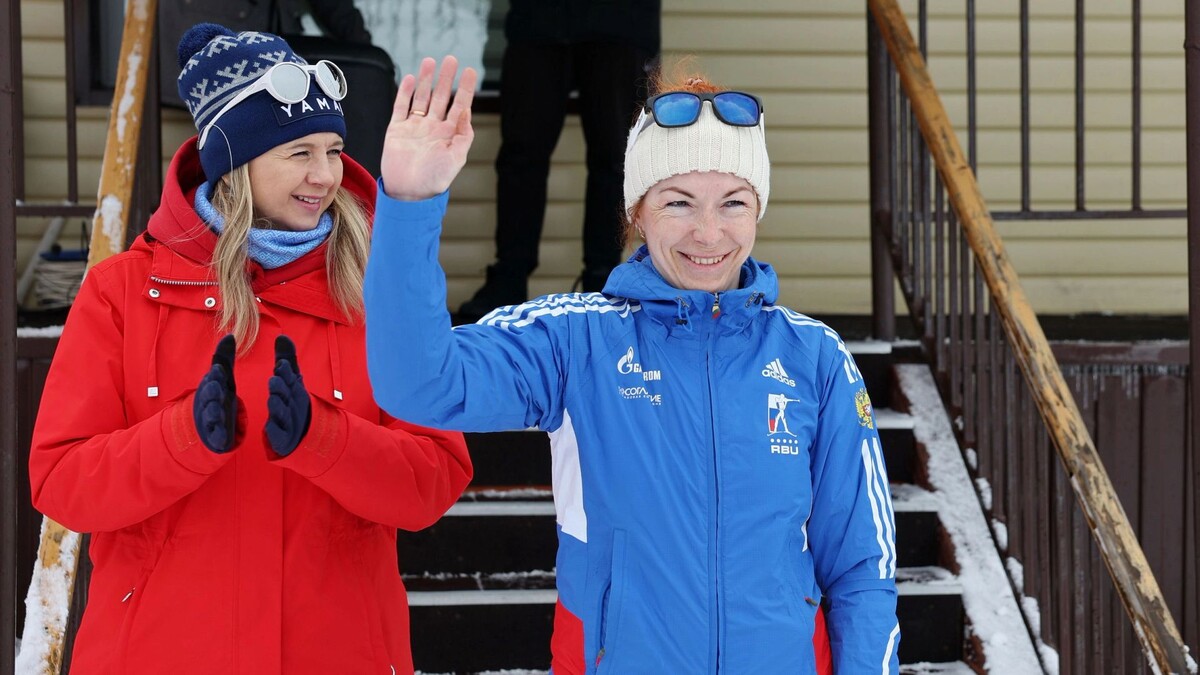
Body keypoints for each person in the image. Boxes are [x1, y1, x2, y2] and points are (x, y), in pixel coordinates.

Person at [364, 56, 900, 674]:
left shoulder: (814, 357)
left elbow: (862, 566)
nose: (708, 233)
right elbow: (420, 384)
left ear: (758, 209)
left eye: (733, 202)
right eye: (678, 203)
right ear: (637, 213)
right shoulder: (576, 340)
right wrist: (409, 204)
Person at [28, 24, 472, 675]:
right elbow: (62, 482)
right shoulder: (122, 292)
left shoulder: (374, 289)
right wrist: (180, 438)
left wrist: (326, 439)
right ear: (235, 163)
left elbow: (434, 478)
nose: (325, 175)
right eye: (299, 152)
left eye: (334, 149)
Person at [456, 0, 661, 323]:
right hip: (538, 19)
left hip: (621, 20)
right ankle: (509, 277)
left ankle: (603, 283)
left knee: (617, 158)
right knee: (521, 155)